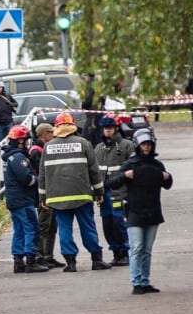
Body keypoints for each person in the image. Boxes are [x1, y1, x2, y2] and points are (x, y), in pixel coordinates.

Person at [39, 111, 112, 272]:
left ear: (57, 128)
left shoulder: (48, 147)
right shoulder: (83, 143)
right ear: (72, 126)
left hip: (57, 198)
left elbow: (43, 174)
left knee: (65, 229)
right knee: (88, 227)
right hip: (82, 195)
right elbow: (94, 171)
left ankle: (70, 263)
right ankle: (96, 259)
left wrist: (43, 197)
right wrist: (99, 191)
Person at [110, 128, 172, 294]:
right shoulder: (130, 164)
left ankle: (145, 281)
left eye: (149, 144)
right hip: (135, 211)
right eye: (144, 144)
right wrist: (125, 176)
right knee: (137, 247)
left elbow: (168, 184)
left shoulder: (157, 164)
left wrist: (167, 176)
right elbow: (113, 183)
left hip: (153, 211)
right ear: (138, 144)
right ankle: (136, 282)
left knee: (147, 249)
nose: (146, 147)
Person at [2, 125, 50, 273]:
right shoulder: (18, 158)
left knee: (20, 231)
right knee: (32, 229)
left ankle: (18, 262)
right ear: (21, 140)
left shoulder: (11, 157)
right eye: (26, 139)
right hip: (23, 200)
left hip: (15, 200)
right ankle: (30, 261)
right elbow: (26, 179)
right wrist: (41, 180)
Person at [94, 115, 133, 266]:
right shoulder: (99, 149)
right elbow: (94, 171)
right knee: (107, 224)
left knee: (119, 223)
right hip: (104, 194)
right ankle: (115, 252)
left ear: (116, 128)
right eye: (105, 129)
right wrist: (96, 192)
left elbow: (133, 168)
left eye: (110, 128)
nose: (107, 131)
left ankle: (124, 252)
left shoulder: (126, 146)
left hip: (120, 192)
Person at [29, 123, 63, 268]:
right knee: (44, 226)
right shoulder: (37, 152)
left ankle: (48, 256)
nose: (53, 135)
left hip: (51, 192)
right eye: (50, 133)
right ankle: (40, 256)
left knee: (52, 226)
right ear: (43, 134)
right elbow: (42, 174)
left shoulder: (44, 148)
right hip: (43, 194)